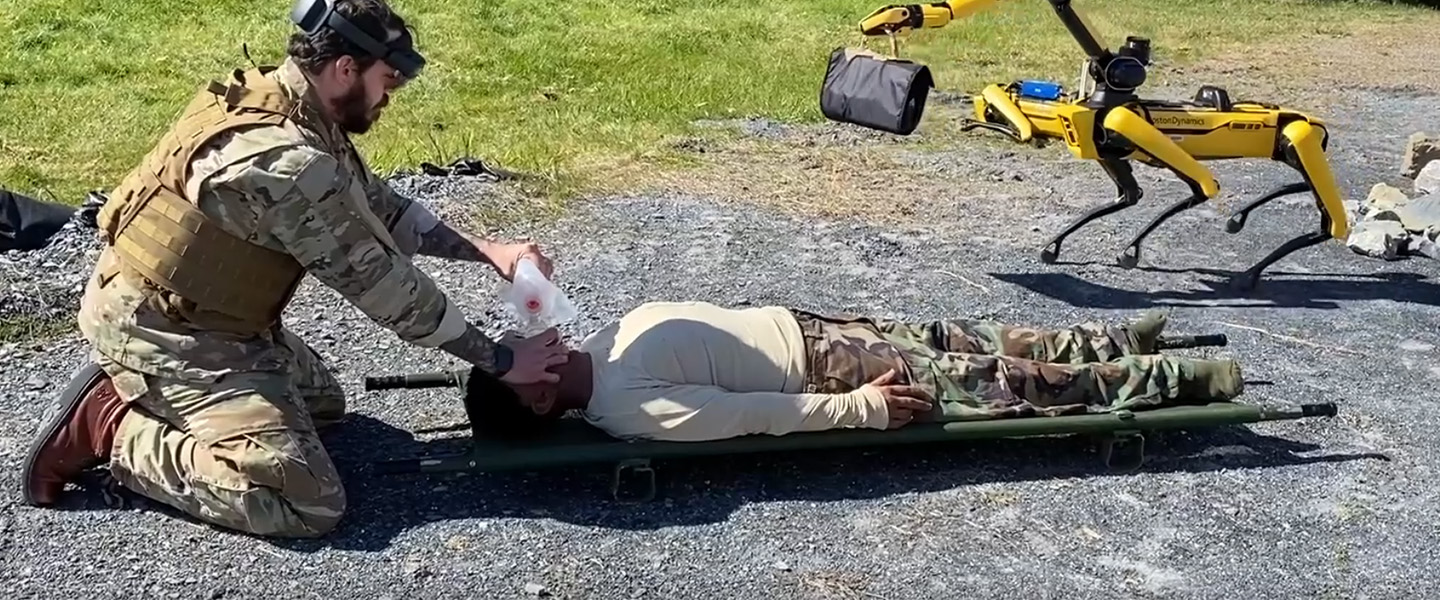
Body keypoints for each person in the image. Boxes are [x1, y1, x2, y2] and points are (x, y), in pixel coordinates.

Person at [19, 0, 570, 538]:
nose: (387, 100)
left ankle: (146, 391)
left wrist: (488, 252)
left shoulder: (287, 102)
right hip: (170, 330)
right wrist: (500, 360)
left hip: (215, 320)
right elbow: (388, 290)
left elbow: (377, 204)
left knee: (324, 406)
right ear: (346, 68)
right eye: (387, 82)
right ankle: (110, 427)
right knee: (305, 500)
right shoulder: (283, 166)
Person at [464, 301, 1244, 443]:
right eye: (514, 356)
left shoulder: (596, 346)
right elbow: (752, 416)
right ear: (537, 399)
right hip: (830, 372)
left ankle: (1111, 339)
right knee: (1010, 380)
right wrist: (862, 411)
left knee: (973, 335)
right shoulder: (628, 408)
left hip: (814, 327)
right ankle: (1179, 379)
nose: (525, 338)